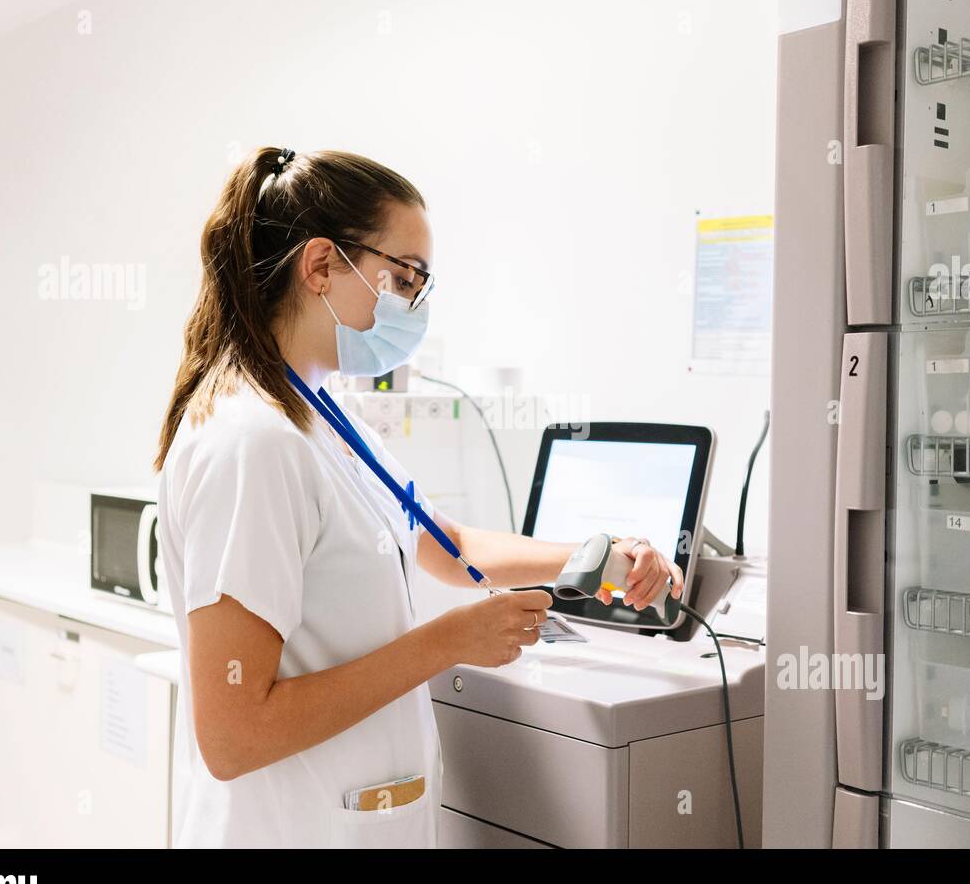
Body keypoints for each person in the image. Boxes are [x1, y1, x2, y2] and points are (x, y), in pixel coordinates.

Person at [153, 147, 683, 847]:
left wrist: (601, 556)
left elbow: (449, 545)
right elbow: (234, 733)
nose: (416, 304)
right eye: (404, 278)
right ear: (319, 267)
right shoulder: (255, 442)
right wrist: (448, 643)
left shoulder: (323, 414)